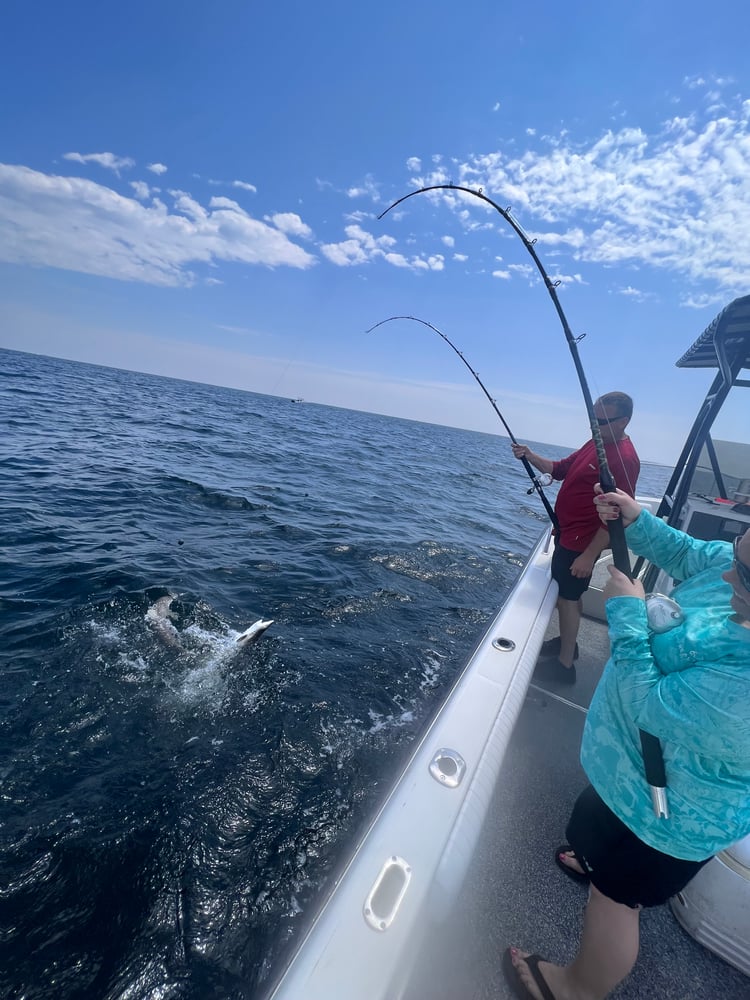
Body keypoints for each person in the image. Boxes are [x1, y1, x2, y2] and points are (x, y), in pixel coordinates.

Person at [503, 487, 750, 1000]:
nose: (728, 573)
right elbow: (691, 555)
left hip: (670, 814)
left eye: (744, 574)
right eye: (739, 554)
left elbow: (650, 705)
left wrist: (628, 615)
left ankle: (575, 989)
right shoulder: (735, 571)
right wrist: (637, 521)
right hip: (631, 772)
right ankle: (594, 859)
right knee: (595, 833)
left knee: (617, 899)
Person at [511, 392, 640, 684]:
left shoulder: (625, 459)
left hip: (582, 542)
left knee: (567, 598)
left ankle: (565, 666)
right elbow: (560, 469)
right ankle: (568, 643)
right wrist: (529, 454)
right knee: (571, 595)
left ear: (624, 421)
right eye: (593, 418)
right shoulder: (597, 444)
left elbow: (617, 513)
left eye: (602, 420)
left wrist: (588, 555)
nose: (595, 426)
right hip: (567, 534)